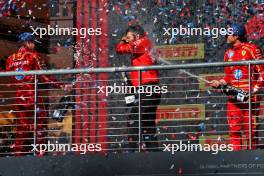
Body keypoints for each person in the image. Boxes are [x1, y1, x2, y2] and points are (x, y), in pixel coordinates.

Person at [5, 32, 71, 156]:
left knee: (21, 129)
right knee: (40, 126)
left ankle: (17, 156)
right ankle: (40, 155)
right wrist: (62, 85)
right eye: (33, 42)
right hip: (32, 96)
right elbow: (44, 76)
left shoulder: (10, 59)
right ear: (28, 42)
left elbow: (11, 80)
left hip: (19, 97)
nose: (34, 45)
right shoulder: (33, 55)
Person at [211, 23, 264, 150]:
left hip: (250, 99)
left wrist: (253, 91)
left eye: (228, 34)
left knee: (250, 132)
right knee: (234, 131)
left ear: (236, 35)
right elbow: (227, 78)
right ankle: (236, 160)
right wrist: (219, 83)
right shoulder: (227, 53)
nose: (226, 37)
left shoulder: (253, 49)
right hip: (233, 98)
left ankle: (253, 162)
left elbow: (263, 73)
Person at [116, 25, 160, 151]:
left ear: (137, 36)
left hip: (148, 89)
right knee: (148, 125)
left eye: (129, 37)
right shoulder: (145, 44)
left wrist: (123, 40)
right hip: (149, 89)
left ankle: (133, 153)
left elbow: (120, 49)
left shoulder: (143, 41)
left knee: (134, 119)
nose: (127, 39)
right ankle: (155, 155)